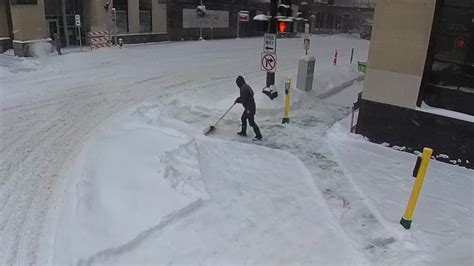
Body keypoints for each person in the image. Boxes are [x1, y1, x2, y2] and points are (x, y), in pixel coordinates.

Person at [234, 76, 263, 141]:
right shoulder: (245, 86)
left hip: (250, 108)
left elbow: (244, 99)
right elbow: (247, 96)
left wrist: (238, 100)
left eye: (237, 83)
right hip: (250, 107)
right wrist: (239, 99)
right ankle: (244, 132)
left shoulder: (243, 88)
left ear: (239, 82)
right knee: (244, 118)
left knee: (251, 122)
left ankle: (259, 136)